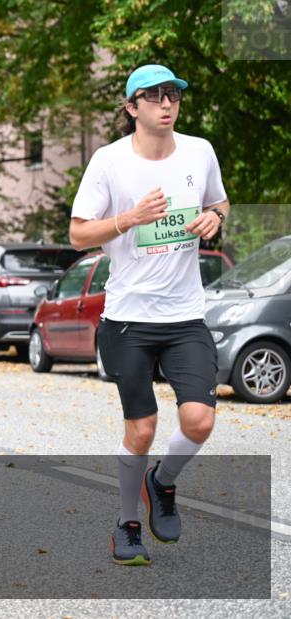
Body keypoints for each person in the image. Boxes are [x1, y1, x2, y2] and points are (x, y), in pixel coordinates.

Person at [69, 65, 229, 566]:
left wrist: (215, 217)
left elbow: (220, 201)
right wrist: (129, 219)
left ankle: (161, 482)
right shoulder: (109, 162)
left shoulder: (199, 151)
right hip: (128, 320)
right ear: (131, 108)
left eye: (174, 94)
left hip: (185, 316)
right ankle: (127, 524)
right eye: (154, 96)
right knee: (141, 429)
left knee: (199, 421)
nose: (167, 102)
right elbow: (77, 235)